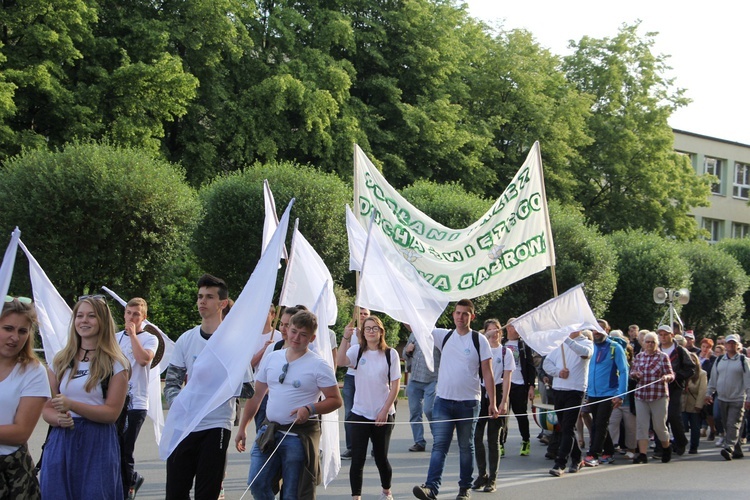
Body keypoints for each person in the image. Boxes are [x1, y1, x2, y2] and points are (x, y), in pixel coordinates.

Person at [163, 274, 253, 500]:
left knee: (207, 493)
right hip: (185, 424)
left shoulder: (234, 342)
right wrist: (183, 404)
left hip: (215, 426)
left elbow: (248, 389)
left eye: (209, 297)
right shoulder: (186, 339)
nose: (202, 301)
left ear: (222, 303)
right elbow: (171, 383)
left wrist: (218, 387)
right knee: (175, 492)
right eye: (200, 296)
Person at [235, 310, 342, 499]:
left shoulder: (319, 364)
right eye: (293, 331)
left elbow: (335, 400)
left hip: (297, 437)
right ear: (286, 329)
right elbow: (256, 395)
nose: (296, 338)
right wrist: (242, 427)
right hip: (268, 432)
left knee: (293, 493)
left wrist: (310, 408)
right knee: (256, 482)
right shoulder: (272, 357)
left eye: (303, 334)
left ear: (312, 338)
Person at [40, 295, 130, 499]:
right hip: (61, 440)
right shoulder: (60, 361)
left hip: (98, 442)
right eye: (79, 316)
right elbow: (47, 408)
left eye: (91, 316)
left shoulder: (117, 363)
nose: (84, 321)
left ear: (103, 321)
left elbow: (111, 414)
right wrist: (57, 419)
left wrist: (72, 404)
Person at [413, 299, 499, 500]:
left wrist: (493, 402)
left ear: (472, 316)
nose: (461, 317)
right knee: (439, 446)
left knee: (465, 447)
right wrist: (404, 302)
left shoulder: (479, 340)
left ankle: (464, 489)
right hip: (443, 401)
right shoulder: (444, 336)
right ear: (453, 315)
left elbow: (488, 373)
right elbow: (416, 325)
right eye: (458, 313)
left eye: (465, 314)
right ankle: (431, 488)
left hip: (468, 403)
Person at [336, 315, 400, 500]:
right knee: (357, 459)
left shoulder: (390, 354)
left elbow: (395, 385)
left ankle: (386, 491)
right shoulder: (357, 351)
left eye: (375, 328)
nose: (371, 331)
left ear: (381, 332)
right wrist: (345, 338)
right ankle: (356, 496)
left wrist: (384, 410)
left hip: (383, 413)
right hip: (360, 413)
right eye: (367, 328)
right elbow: (340, 361)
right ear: (362, 333)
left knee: (381, 457)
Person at [0, 297, 50, 499]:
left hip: (12, 475)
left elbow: (20, 432)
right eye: (8, 328)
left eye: (22, 331)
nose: (14, 337)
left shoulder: (34, 371)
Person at [116, 297, 158, 499]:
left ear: (144, 317)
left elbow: (143, 360)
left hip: (136, 402)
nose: (132, 317)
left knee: (125, 448)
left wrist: (133, 335)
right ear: (124, 314)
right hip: (115, 401)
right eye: (129, 313)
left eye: (136, 314)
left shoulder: (150, 339)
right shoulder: (114, 338)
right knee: (112, 448)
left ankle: (127, 489)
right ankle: (128, 479)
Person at [543, 329, 594, 476]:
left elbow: (585, 353)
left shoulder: (586, 342)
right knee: (566, 428)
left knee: (568, 426)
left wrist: (567, 340)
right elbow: (547, 362)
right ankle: (577, 458)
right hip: (559, 388)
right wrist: (558, 372)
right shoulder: (558, 345)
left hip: (575, 390)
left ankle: (560, 463)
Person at [473, 319, 514, 493]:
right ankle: (482, 474)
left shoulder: (506, 352)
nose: (493, 333)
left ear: (501, 332)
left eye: (496, 329)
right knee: (476, 436)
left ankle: (492, 478)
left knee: (493, 439)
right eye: (490, 330)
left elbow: (507, 379)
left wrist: (503, 400)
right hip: (481, 392)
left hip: (498, 390)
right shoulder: (482, 349)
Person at [583, 324, 628, 467]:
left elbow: (624, 371)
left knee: (600, 424)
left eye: (600, 329)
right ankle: (608, 451)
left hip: (609, 393)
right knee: (599, 422)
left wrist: (621, 394)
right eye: (594, 329)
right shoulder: (590, 346)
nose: (596, 332)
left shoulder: (615, 348)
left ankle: (593, 454)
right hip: (592, 393)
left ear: (607, 330)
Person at [630, 331, 674, 464]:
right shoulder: (639, 356)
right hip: (641, 395)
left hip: (658, 395)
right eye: (647, 342)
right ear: (643, 343)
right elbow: (632, 372)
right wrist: (635, 374)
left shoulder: (663, 357)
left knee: (659, 426)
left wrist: (667, 377)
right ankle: (642, 454)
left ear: (657, 343)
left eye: (652, 342)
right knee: (641, 425)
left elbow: (671, 374)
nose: (649, 344)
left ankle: (666, 448)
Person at [705, 334, 750, 460]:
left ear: (738, 346)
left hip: (738, 398)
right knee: (725, 423)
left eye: (733, 343)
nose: (731, 345)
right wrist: (709, 393)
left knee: (733, 424)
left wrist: (749, 397)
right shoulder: (720, 360)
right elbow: (713, 378)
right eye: (728, 343)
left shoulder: (743, 360)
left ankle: (728, 447)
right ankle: (737, 450)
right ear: (725, 345)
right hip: (722, 398)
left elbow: (748, 381)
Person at [655, 324, 695, 457]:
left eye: (666, 334)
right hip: (659, 387)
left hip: (675, 386)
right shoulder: (656, 350)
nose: (663, 337)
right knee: (659, 417)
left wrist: (676, 376)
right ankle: (661, 445)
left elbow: (691, 369)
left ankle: (680, 441)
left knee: (673, 415)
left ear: (672, 335)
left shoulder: (680, 351)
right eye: (660, 335)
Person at [403, 328, 440, 452]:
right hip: (415, 379)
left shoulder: (437, 334)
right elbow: (405, 355)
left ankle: (439, 439)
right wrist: (408, 351)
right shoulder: (414, 334)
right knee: (415, 412)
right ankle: (419, 442)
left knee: (429, 410)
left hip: (432, 379)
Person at [503, 318, 536, 456]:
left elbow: (530, 366)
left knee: (521, 415)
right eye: (513, 326)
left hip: (520, 385)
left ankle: (525, 440)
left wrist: (531, 386)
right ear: (507, 328)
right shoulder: (501, 343)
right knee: (502, 416)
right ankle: (500, 444)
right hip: (504, 384)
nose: (516, 329)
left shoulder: (524, 345)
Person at [341, 307, 370, 460]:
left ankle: (373, 445)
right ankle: (351, 447)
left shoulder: (372, 332)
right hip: (351, 377)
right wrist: (346, 337)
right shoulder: (350, 332)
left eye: (366, 313)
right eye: (361, 313)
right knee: (349, 413)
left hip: (367, 378)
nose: (363, 316)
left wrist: (361, 338)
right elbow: (342, 357)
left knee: (369, 412)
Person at [682, 352, 707, 454]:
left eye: (693, 360)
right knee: (681, 425)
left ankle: (694, 447)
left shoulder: (702, 374)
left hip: (694, 404)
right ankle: (680, 445)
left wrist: (699, 405)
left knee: (695, 427)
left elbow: (702, 390)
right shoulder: (682, 372)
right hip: (682, 404)